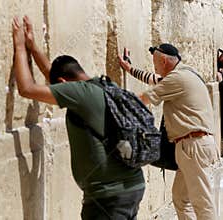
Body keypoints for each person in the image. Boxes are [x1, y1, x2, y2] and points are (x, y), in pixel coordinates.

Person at [12, 16, 145, 220]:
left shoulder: (80, 94)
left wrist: (20, 47)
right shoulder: (103, 88)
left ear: (64, 82)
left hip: (108, 196)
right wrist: (34, 47)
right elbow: (53, 75)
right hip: (132, 186)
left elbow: (27, 89)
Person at [118, 44, 220, 220]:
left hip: (192, 147)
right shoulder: (185, 73)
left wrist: (111, 104)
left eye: (156, 64)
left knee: (202, 202)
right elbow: (154, 79)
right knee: (181, 199)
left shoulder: (176, 79)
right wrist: (129, 69)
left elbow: (144, 98)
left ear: (164, 61)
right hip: (192, 146)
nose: (155, 68)